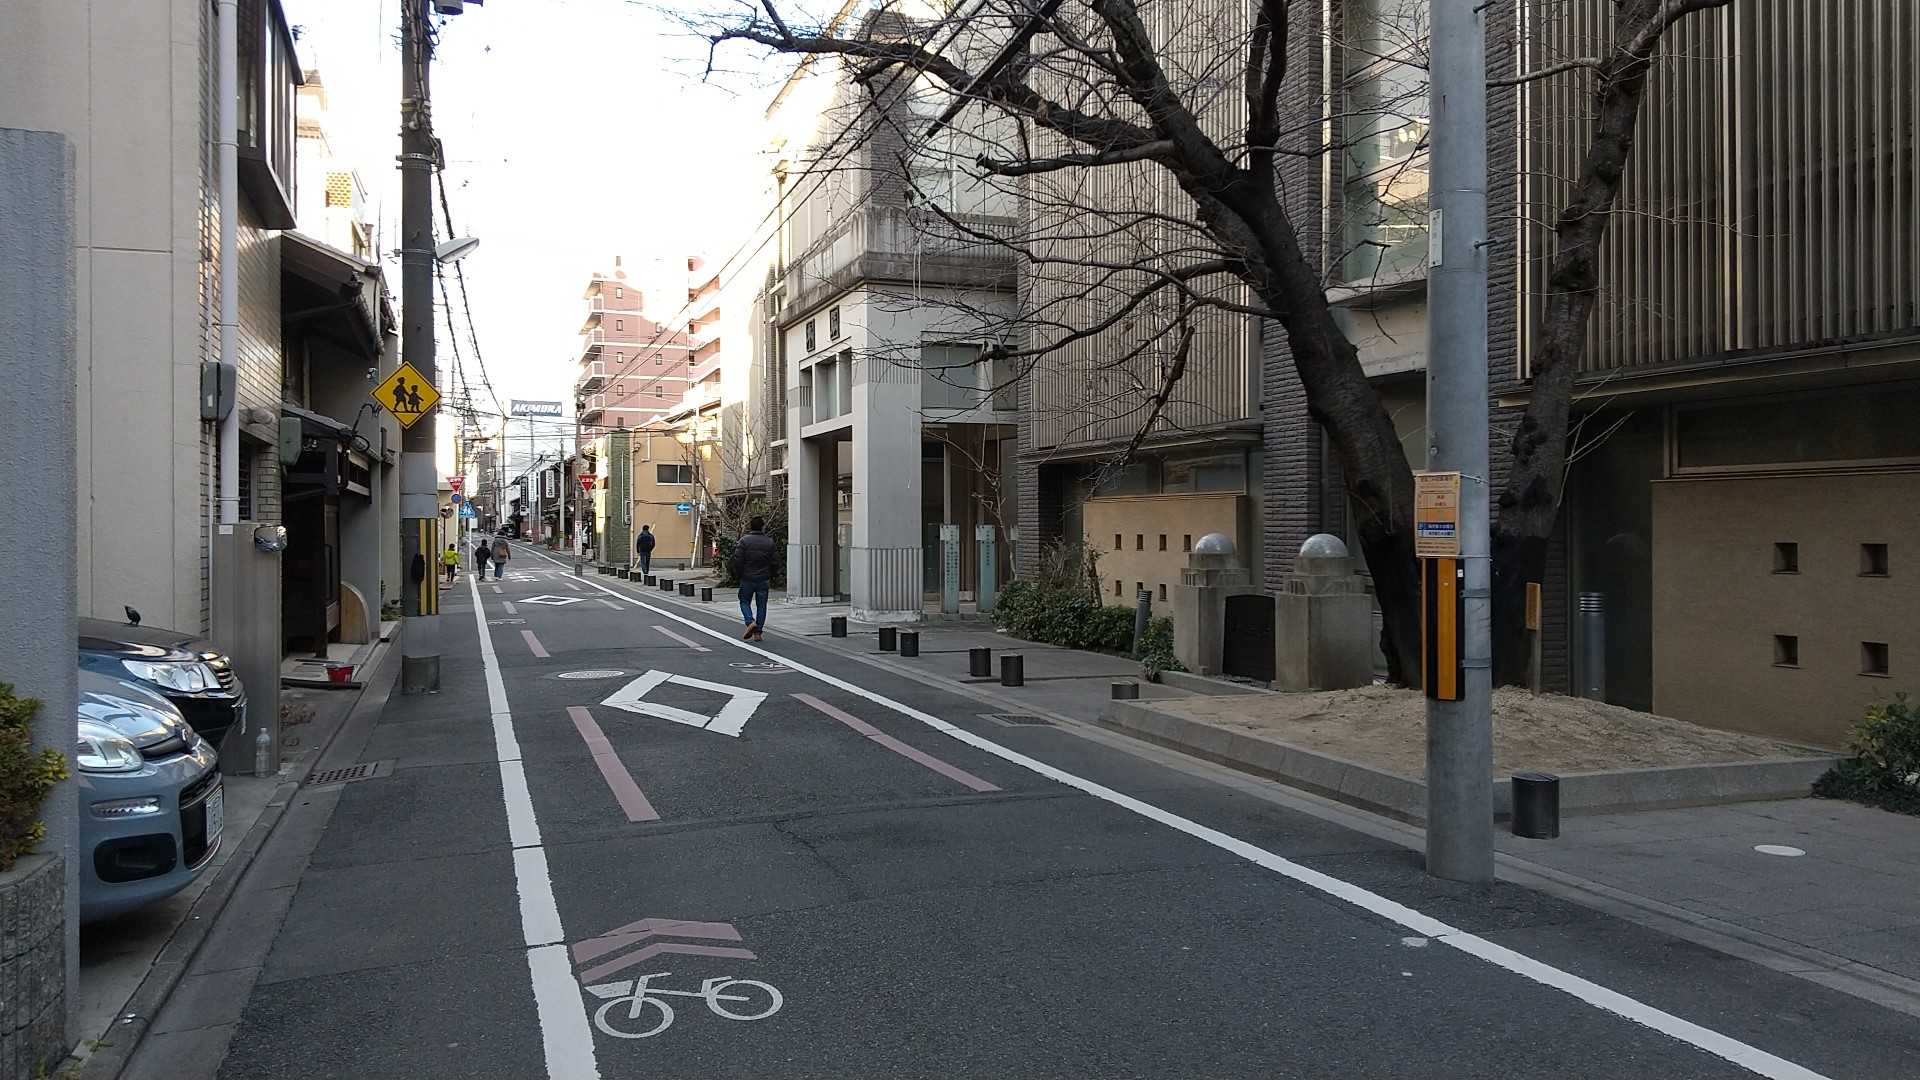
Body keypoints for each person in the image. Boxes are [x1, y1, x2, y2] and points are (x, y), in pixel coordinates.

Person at [730, 516, 778, 641]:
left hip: (747, 577)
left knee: (744, 601)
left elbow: (738, 560)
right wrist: (772, 575)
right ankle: (758, 633)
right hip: (763, 578)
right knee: (762, 605)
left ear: (750, 526)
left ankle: (750, 621)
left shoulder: (744, 541)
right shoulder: (769, 542)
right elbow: (774, 562)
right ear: (762, 527)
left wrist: (739, 574)